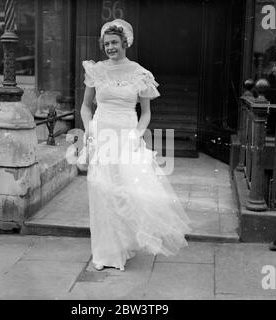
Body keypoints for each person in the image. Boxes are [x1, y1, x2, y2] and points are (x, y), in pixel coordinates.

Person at [80, 19, 191, 271]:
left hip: (126, 137)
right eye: (106, 44)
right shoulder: (95, 71)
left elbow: (146, 113)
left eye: (115, 43)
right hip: (101, 137)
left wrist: (137, 134)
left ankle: (124, 244)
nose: (110, 48)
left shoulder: (140, 73)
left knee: (124, 194)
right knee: (101, 192)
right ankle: (105, 254)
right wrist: (89, 130)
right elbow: (86, 107)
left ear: (125, 43)